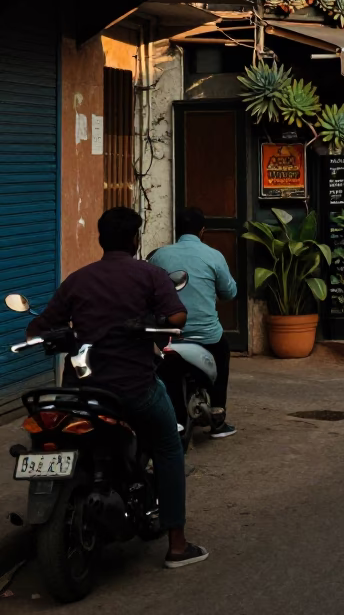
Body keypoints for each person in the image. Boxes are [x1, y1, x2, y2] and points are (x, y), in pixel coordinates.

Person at [27, 207, 208, 568]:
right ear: (135, 240)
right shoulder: (149, 274)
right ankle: (176, 543)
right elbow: (177, 318)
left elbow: (37, 330)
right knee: (169, 448)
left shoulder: (77, 280)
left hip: (80, 393)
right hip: (134, 389)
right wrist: (150, 322)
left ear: (100, 239)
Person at [149, 208, 238, 439]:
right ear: (202, 231)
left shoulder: (159, 256)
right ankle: (218, 417)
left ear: (176, 229)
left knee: (162, 372)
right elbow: (229, 292)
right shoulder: (213, 256)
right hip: (207, 336)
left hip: (170, 335)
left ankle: (172, 420)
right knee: (222, 355)